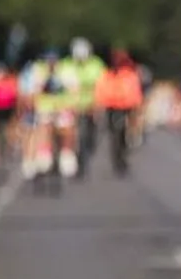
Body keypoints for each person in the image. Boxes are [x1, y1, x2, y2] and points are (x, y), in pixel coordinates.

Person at [58, 38, 105, 177]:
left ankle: (87, 152)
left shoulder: (96, 65)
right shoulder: (66, 64)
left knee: (90, 134)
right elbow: (62, 85)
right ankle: (70, 157)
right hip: (70, 105)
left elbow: (101, 86)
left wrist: (97, 104)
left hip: (91, 104)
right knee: (69, 132)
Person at [94, 49, 145, 174]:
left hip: (126, 107)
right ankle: (117, 157)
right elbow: (100, 91)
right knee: (114, 133)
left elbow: (134, 92)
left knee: (124, 131)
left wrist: (135, 106)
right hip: (111, 107)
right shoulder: (107, 75)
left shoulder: (129, 75)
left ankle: (129, 141)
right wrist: (99, 105)